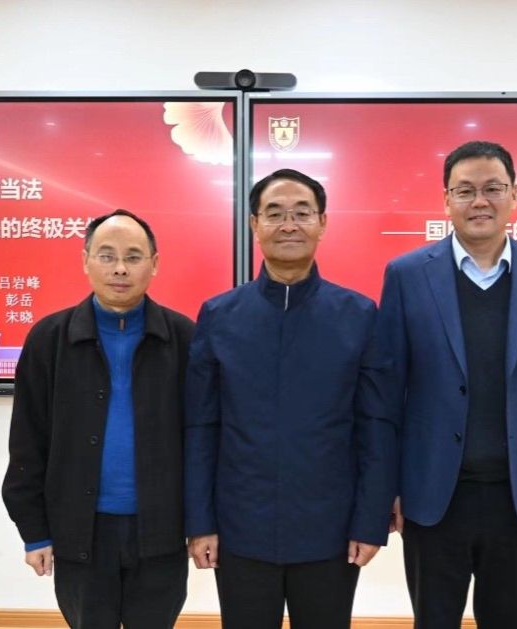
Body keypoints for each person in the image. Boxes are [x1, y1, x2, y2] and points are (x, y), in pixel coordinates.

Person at [378, 141, 517, 628]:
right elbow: (387, 395)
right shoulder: (407, 275)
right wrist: (389, 487)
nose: (479, 201)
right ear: (446, 200)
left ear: (514, 195)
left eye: (493, 188)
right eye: (465, 190)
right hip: (433, 497)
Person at [184, 169, 397, 629]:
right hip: (240, 527)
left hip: (331, 530)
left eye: (302, 213)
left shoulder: (358, 315)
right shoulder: (220, 315)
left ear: (323, 223)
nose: (289, 225)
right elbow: (201, 426)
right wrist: (200, 522)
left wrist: (370, 521)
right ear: (254, 224)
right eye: (275, 213)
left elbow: (376, 426)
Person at [2, 209, 194, 629]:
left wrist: (203, 526)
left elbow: (202, 443)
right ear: (85, 261)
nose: (120, 268)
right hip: (79, 533)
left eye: (133, 256)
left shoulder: (183, 338)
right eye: (106, 256)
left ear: (154, 264)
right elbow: (28, 442)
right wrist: (34, 531)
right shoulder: (50, 339)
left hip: (160, 532)